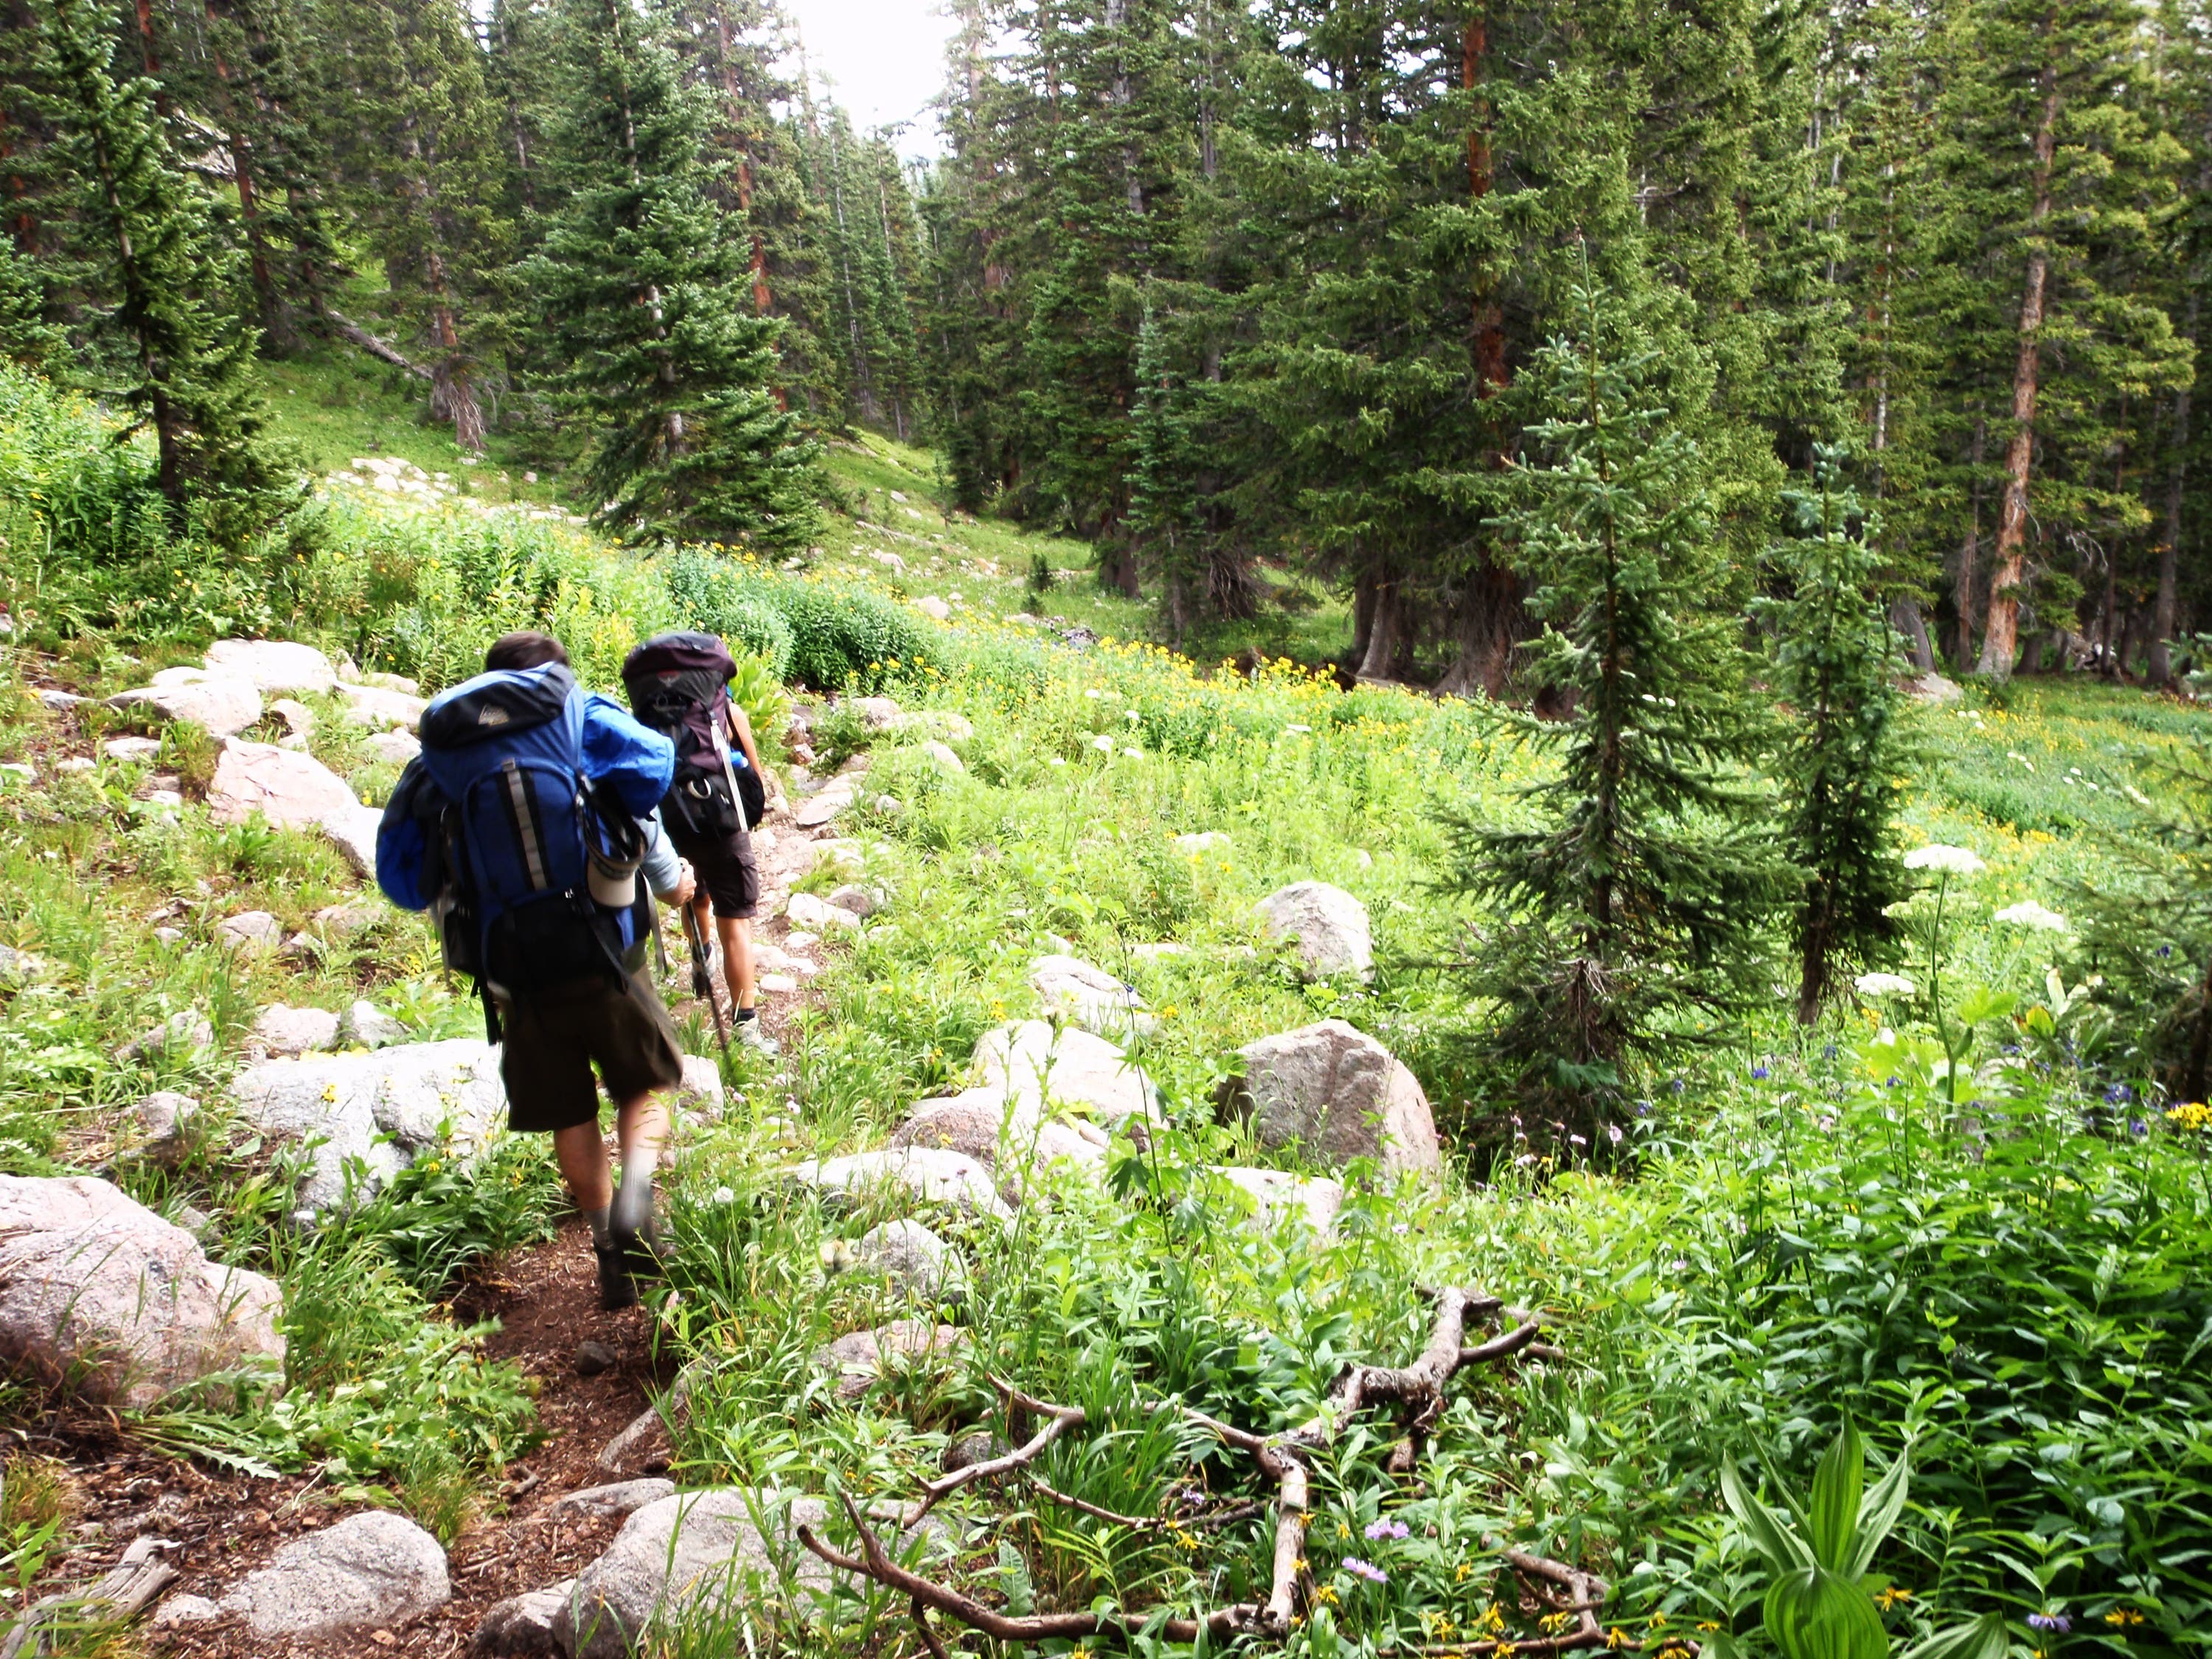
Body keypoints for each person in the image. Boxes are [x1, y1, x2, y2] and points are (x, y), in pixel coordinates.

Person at [376, 630, 696, 1312]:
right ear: (555, 674)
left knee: (569, 1110)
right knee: (649, 1082)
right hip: (605, 951)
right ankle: (638, 1209)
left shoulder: (444, 747)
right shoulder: (575, 710)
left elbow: (399, 881)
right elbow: (655, 768)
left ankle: (605, 1242)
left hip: (512, 973)